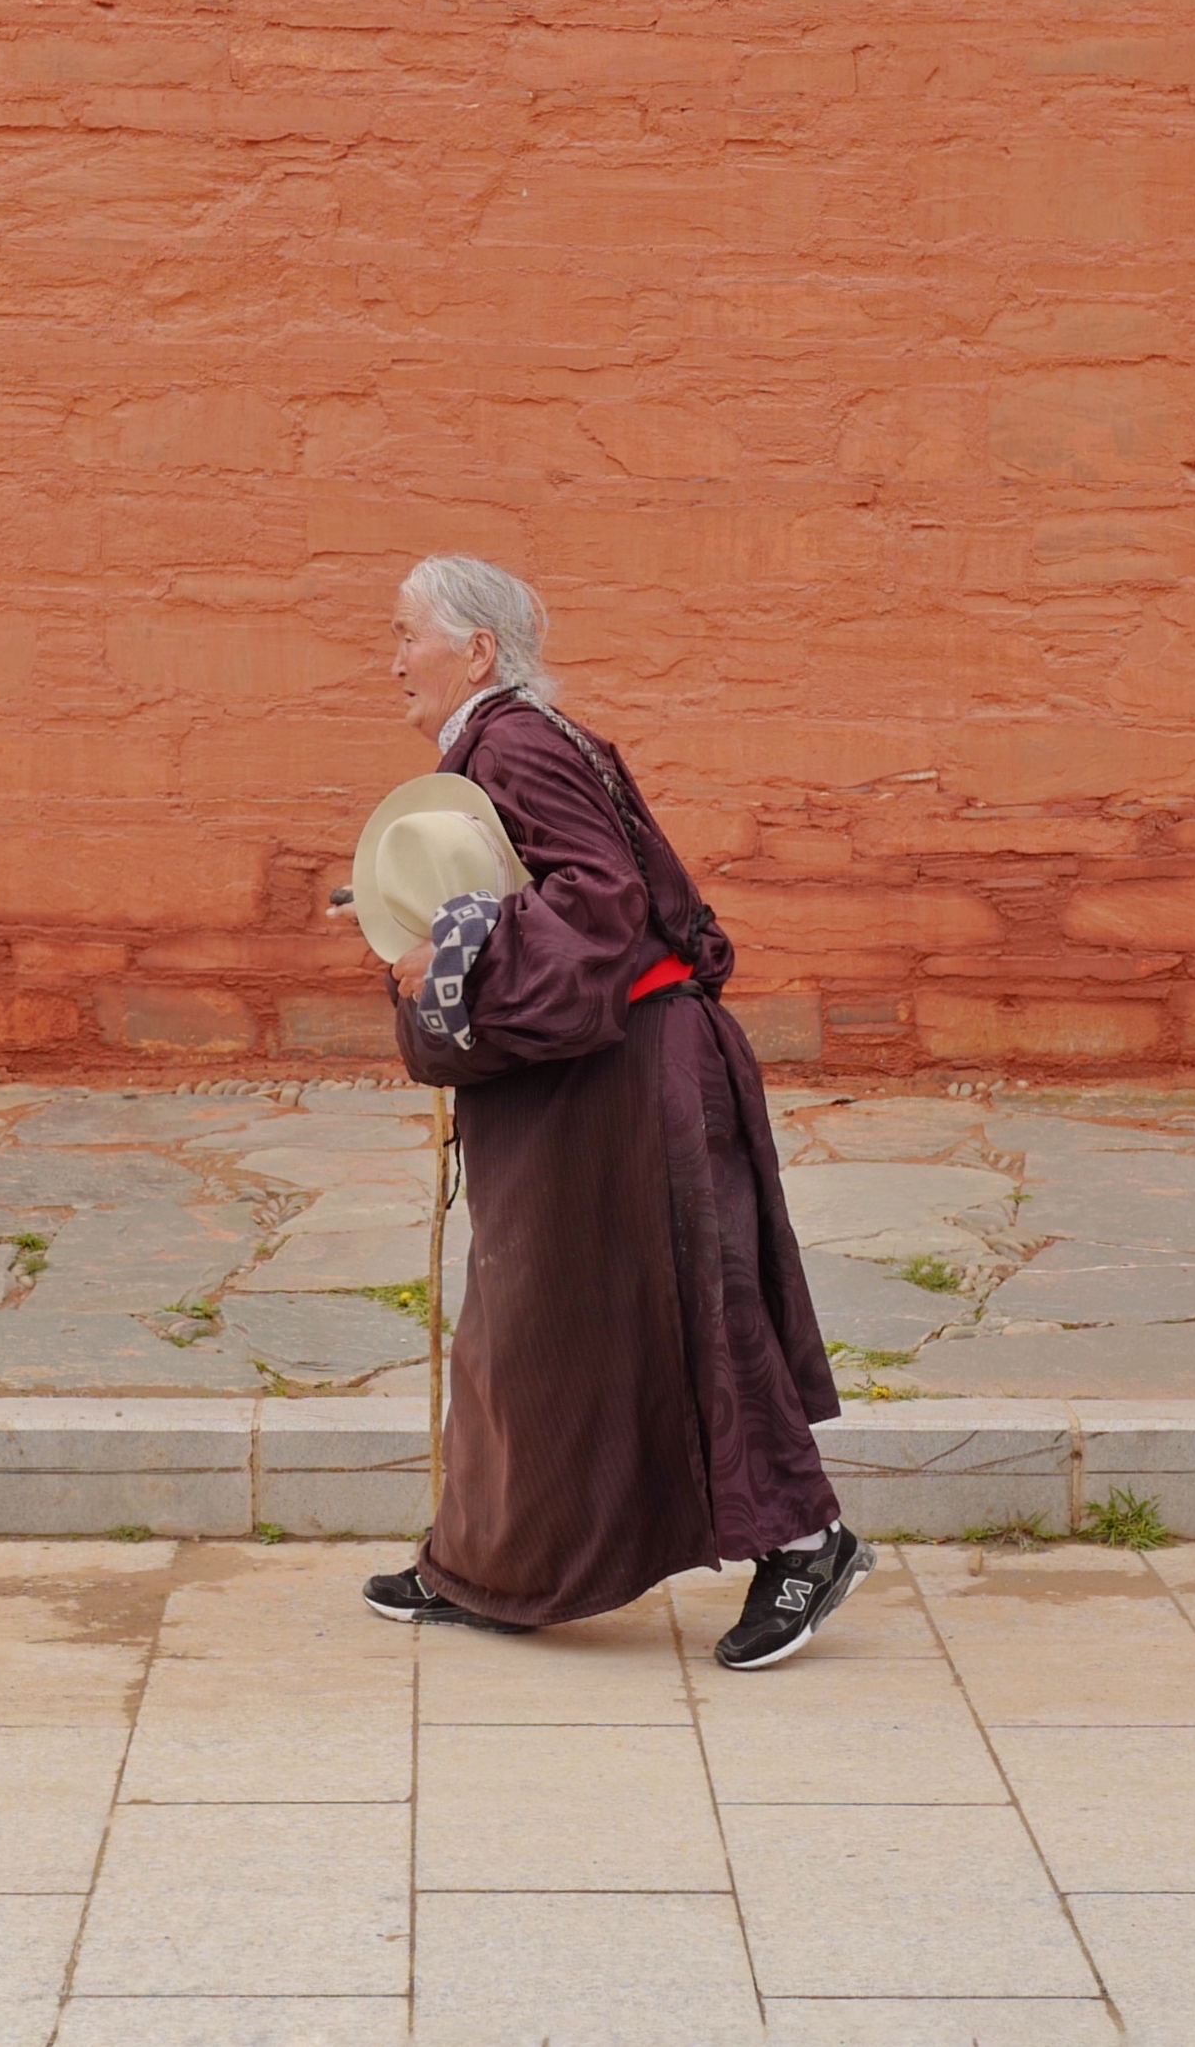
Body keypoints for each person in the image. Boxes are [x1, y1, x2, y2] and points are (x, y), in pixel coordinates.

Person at [358, 553, 872, 1671]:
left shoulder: (519, 743)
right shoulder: (511, 742)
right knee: (539, 1325)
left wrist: (438, 958)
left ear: (478, 651)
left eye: (407, 634)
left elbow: (600, 904)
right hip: (587, 1074)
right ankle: (489, 1563)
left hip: (637, 1074)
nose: (392, 658)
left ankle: (807, 1541)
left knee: (691, 1304)